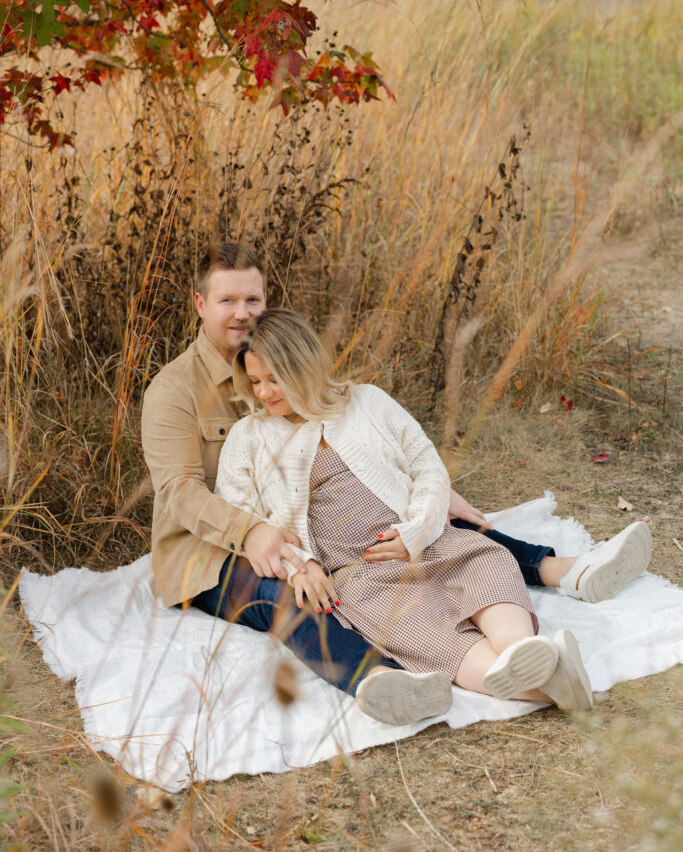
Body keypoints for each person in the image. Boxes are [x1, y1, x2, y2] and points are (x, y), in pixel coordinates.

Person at [141, 242, 652, 723]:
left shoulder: (313, 374)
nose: (242, 312)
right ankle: (379, 678)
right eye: (226, 300)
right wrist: (259, 536)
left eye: (252, 298)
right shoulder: (178, 392)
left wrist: (424, 495)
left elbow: (390, 448)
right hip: (214, 546)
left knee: (454, 538)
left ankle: (560, 586)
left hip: (358, 530)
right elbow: (181, 493)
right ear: (200, 304)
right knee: (298, 597)